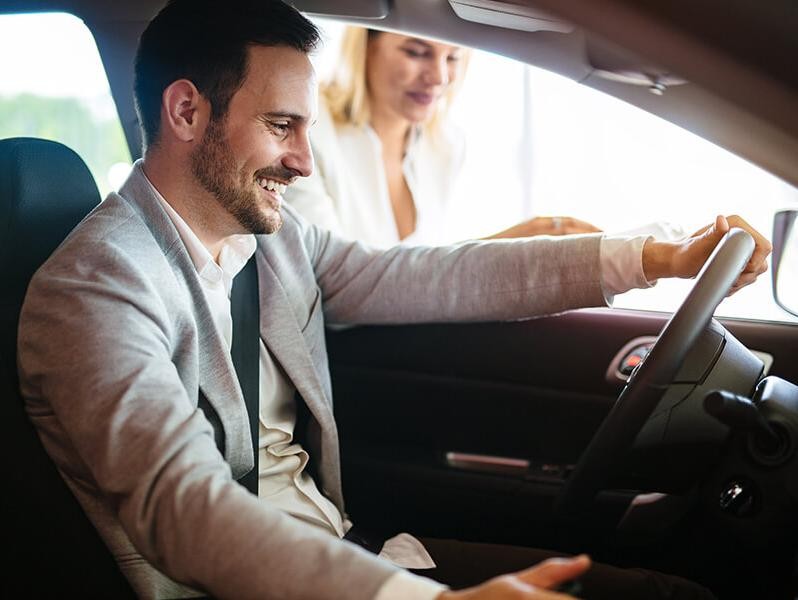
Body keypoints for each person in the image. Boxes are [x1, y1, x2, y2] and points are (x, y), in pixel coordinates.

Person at [16, 0, 771, 599]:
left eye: (306, 129)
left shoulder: (275, 242)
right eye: (281, 127)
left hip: (349, 552)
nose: (305, 162)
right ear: (186, 114)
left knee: (660, 593)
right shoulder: (93, 292)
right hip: (260, 585)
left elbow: (438, 275)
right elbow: (180, 508)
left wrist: (654, 256)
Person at [285, 26, 601, 247]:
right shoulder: (310, 132)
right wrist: (499, 251)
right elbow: (337, 285)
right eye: (417, 52)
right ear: (366, 46)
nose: (439, 77)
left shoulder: (445, 146)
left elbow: (415, 276)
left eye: (453, 57)